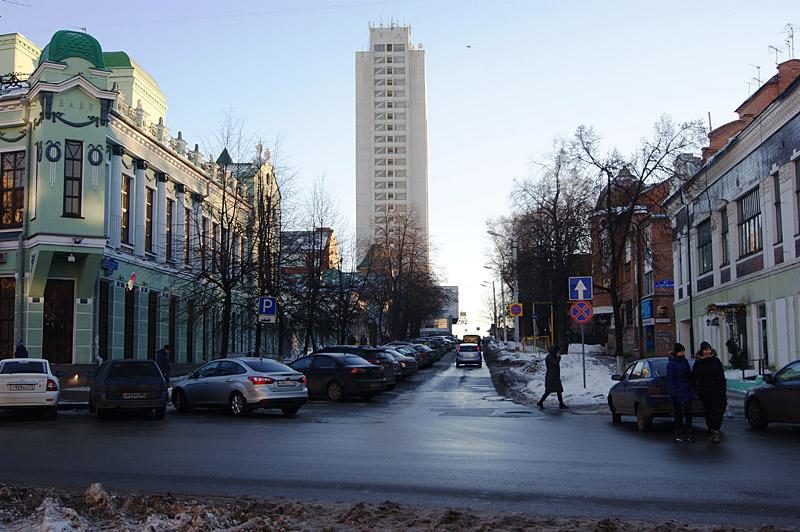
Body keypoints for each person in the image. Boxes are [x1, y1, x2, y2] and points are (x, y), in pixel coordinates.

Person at [692, 341, 726, 443]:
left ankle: (716, 431)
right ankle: (711, 430)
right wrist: (697, 387)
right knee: (708, 411)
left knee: (715, 410)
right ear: (701, 351)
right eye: (705, 350)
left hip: (716, 390)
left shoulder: (716, 361)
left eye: (708, 349)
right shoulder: (699, 363)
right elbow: (694, 376)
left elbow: (721, 376)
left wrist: (722, 389)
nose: (707, 351)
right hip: (704, 391)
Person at [667, 343, 694, 442]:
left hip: (686, 389)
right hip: (677, 391)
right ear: (676, 352)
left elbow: (689, 375)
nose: (683, 353)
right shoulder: (671, 363)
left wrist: (691, 384)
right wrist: (672, 391)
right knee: (678, 413)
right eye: (681, 351)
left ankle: (689, 432)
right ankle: (680, 432)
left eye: (683, 351)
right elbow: (670, 379)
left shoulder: (685, 361)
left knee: (688, 412)